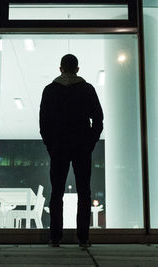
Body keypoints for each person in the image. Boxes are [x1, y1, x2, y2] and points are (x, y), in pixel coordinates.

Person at [39, 54, 103, 248]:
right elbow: (98, 120)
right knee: (84, 191)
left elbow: (44, 123)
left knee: (57, 191)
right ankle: (83, 238)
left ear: (60, 69)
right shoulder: (87, 89)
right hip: (81, 146)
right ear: (77, 69)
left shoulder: (50, 90)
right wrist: (89, 143)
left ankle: (55, 237)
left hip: (58, 146)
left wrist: (51, 145)